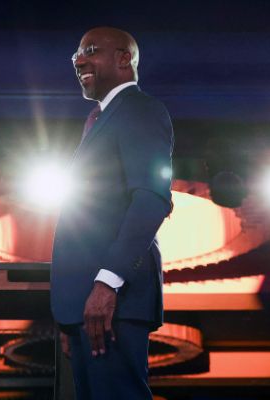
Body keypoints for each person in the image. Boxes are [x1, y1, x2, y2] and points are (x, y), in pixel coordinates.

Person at [50, 27, 174, 399]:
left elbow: (151, 198)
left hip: (112, 300)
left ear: (124, 59)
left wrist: (108, 283)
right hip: (87, 305)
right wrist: (69, 314)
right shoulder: (102, 119)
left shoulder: (139, 109)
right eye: (75, 54)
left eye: (90, 50)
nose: (78, 60)